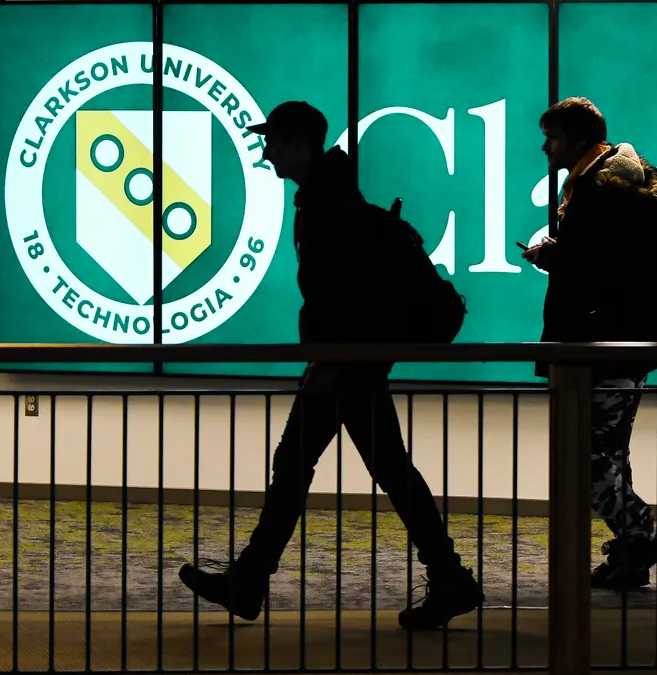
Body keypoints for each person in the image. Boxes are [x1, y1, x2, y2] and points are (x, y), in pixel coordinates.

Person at [177, 101, 483, 631]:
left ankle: (251, 581)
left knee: (311, 468)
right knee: (363, 469)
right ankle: (448, 578)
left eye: (273, 141)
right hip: (349, 364)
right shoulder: (330, 198)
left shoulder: (327, 206)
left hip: (344, 367)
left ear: (298, 144)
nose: (266, 150)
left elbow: (345, 298)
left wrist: (330, 361)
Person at [521, 97, 657, 590]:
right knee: (610, 453)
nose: (545, 146)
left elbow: (598, 268)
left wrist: (553, 258)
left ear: (579, 139)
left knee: (587, 458)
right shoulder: (630, 179)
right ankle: (632, 554)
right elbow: (614, 259)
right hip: (629, 339)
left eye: (554, 137)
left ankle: (640, 534)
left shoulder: (597, 187)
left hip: (600, 342)